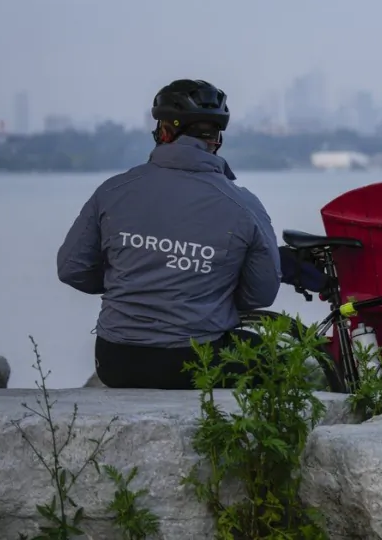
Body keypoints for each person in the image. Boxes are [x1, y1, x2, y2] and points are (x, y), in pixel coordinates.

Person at [56, 79, 284, 389]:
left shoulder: (112, 191)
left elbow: (72, 269)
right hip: (198, 361)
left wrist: (128, 280)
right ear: (216, 139)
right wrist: (208, 291)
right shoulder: (244, 206)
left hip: (116, 361)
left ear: (163, 132)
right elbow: (261, 294)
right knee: (270, 356)